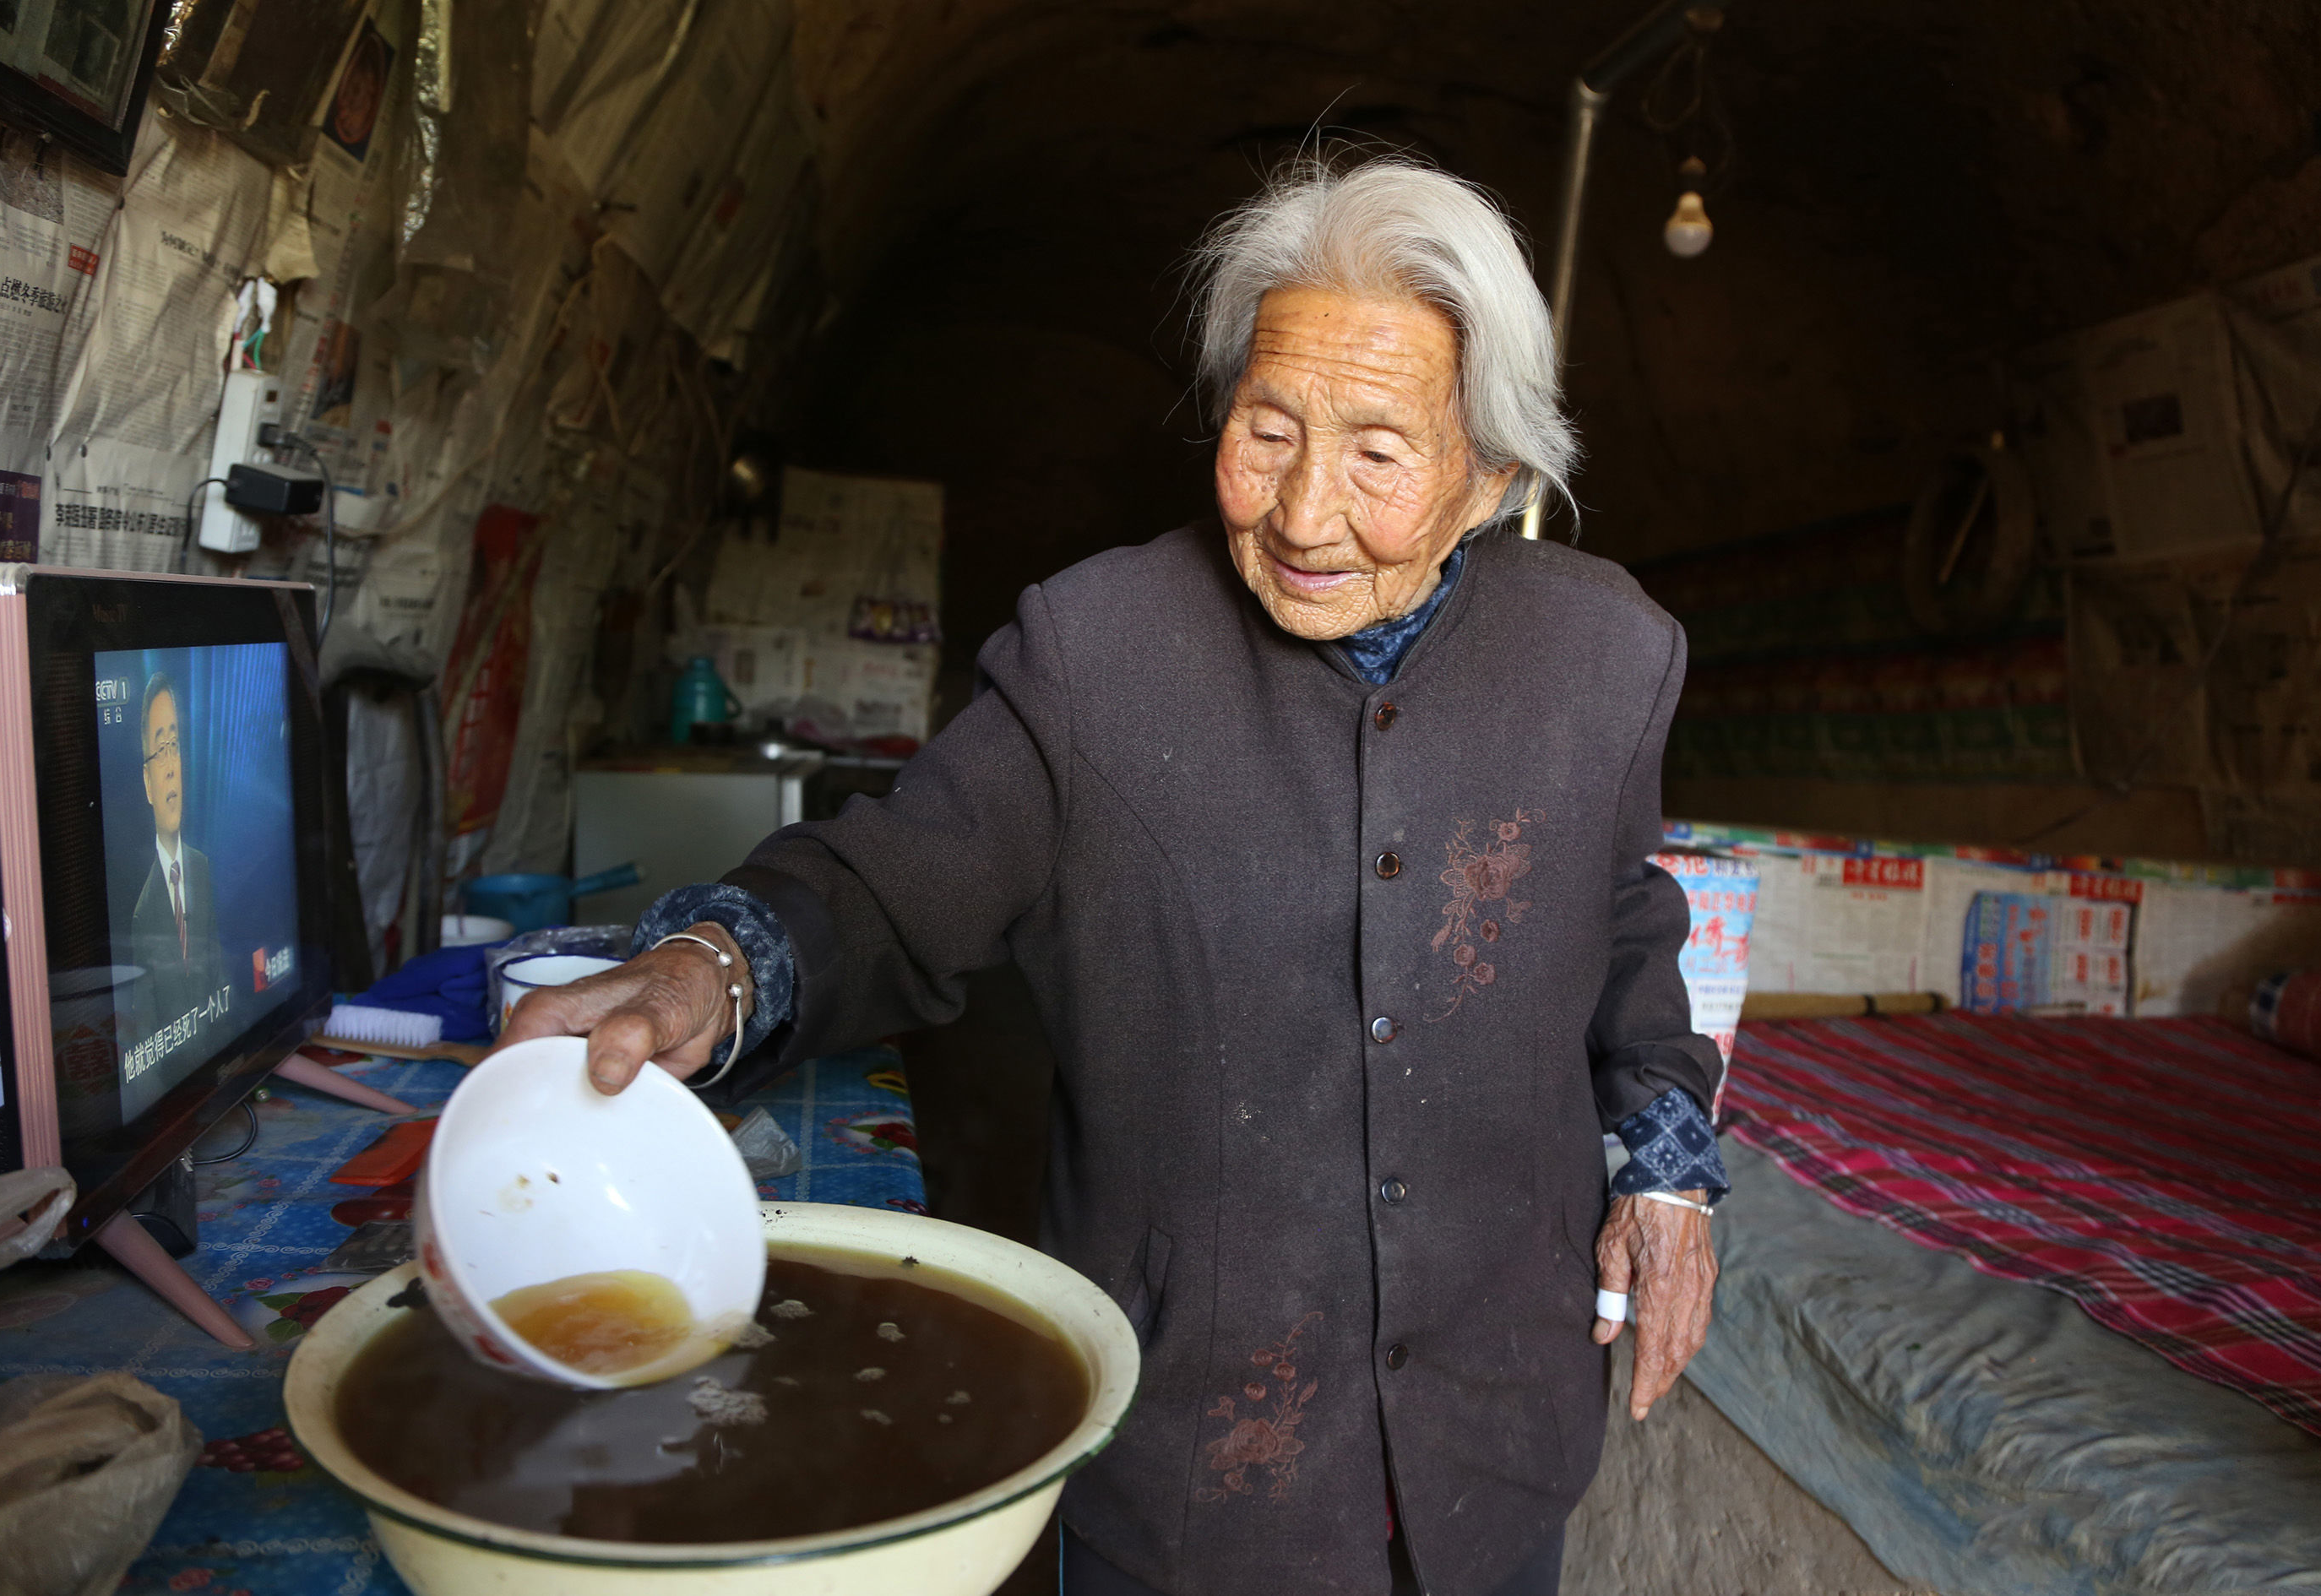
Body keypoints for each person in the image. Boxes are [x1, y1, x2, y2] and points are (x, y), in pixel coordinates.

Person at [504, 155, 1727, 1596]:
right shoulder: (1097, 658)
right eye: (1268, 429)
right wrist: (714, 967)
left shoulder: (1607, 657)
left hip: (1496, 1447)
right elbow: (893, 885)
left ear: (1492, 481)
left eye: (1380, 455)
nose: (1302, 512)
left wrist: (1670, 1166)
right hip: (1199, 1461)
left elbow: (1624, 919)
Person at [129, 671, 223, 1042]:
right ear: (148, 782)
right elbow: (146, 1028)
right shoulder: (142, 912)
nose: (171, 766)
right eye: (160, 750)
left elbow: (219, 975)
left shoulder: (201, 867)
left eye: (176, 746)